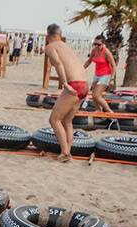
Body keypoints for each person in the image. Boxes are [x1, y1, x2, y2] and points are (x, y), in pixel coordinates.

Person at [45, 24, 88, 163]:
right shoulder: (66, 46)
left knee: (54, 120)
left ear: (48, 35)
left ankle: (65, 153)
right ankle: (68, 151)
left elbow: (58, 64)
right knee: (67, 121)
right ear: (60, 34)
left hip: (74, 84)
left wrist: (65, 84)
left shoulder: (51, 47)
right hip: (84, 84)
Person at [84, 35, 116, 113]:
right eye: (95, 44)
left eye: (99, 44)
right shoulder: (94, 51)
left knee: (96, 95)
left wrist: (112, 79)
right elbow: (89, 61)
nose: (96, 46)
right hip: (97, 74)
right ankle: (98, 109)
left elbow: (113, 65)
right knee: (93, 95)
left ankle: (109, 111)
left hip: (106, 75)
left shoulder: (106, 52)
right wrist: (81, 69)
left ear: (103, 44)